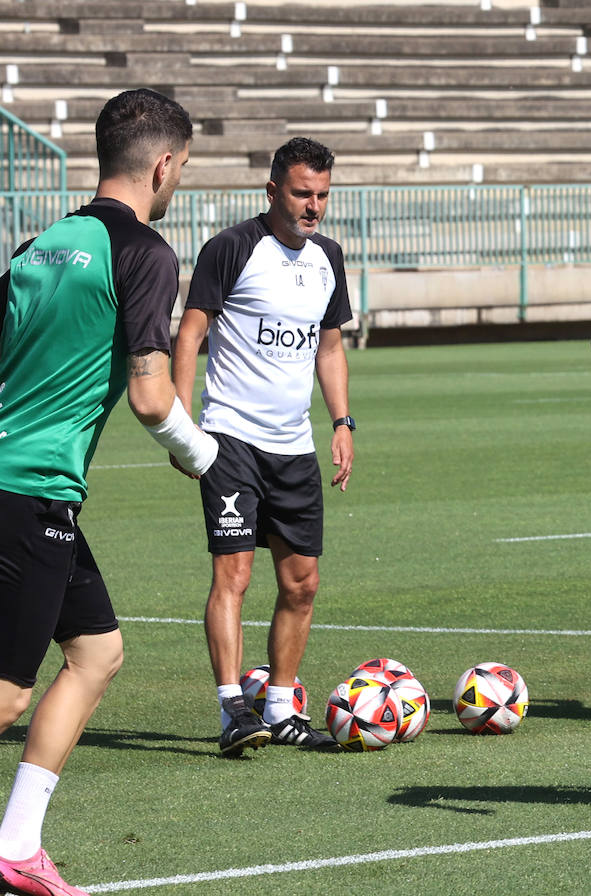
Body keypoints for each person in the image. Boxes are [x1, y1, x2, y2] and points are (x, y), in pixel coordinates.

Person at [0, 88, 214, 896]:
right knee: (7, 696)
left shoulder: (38, 244)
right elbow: (153, 397)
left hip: (21, 489)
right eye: (182, 169)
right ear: (164, 165)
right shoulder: (145, 252)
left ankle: (17, 845)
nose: (178, 181)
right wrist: (203, 453)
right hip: (29, 493)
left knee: (97, 651)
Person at [173, 136, 355, 757]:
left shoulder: (329, 256)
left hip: (293, 446)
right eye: (303, 193)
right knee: (235, 573)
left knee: (302, 582)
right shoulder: (231, 248)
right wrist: (180, 425)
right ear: (273, 190)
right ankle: (232, 708)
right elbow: (189, 334)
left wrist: (341, 421)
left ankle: (279, 706)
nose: (314, 207)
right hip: (231, 439)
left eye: (323, 195)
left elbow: (329, 346)